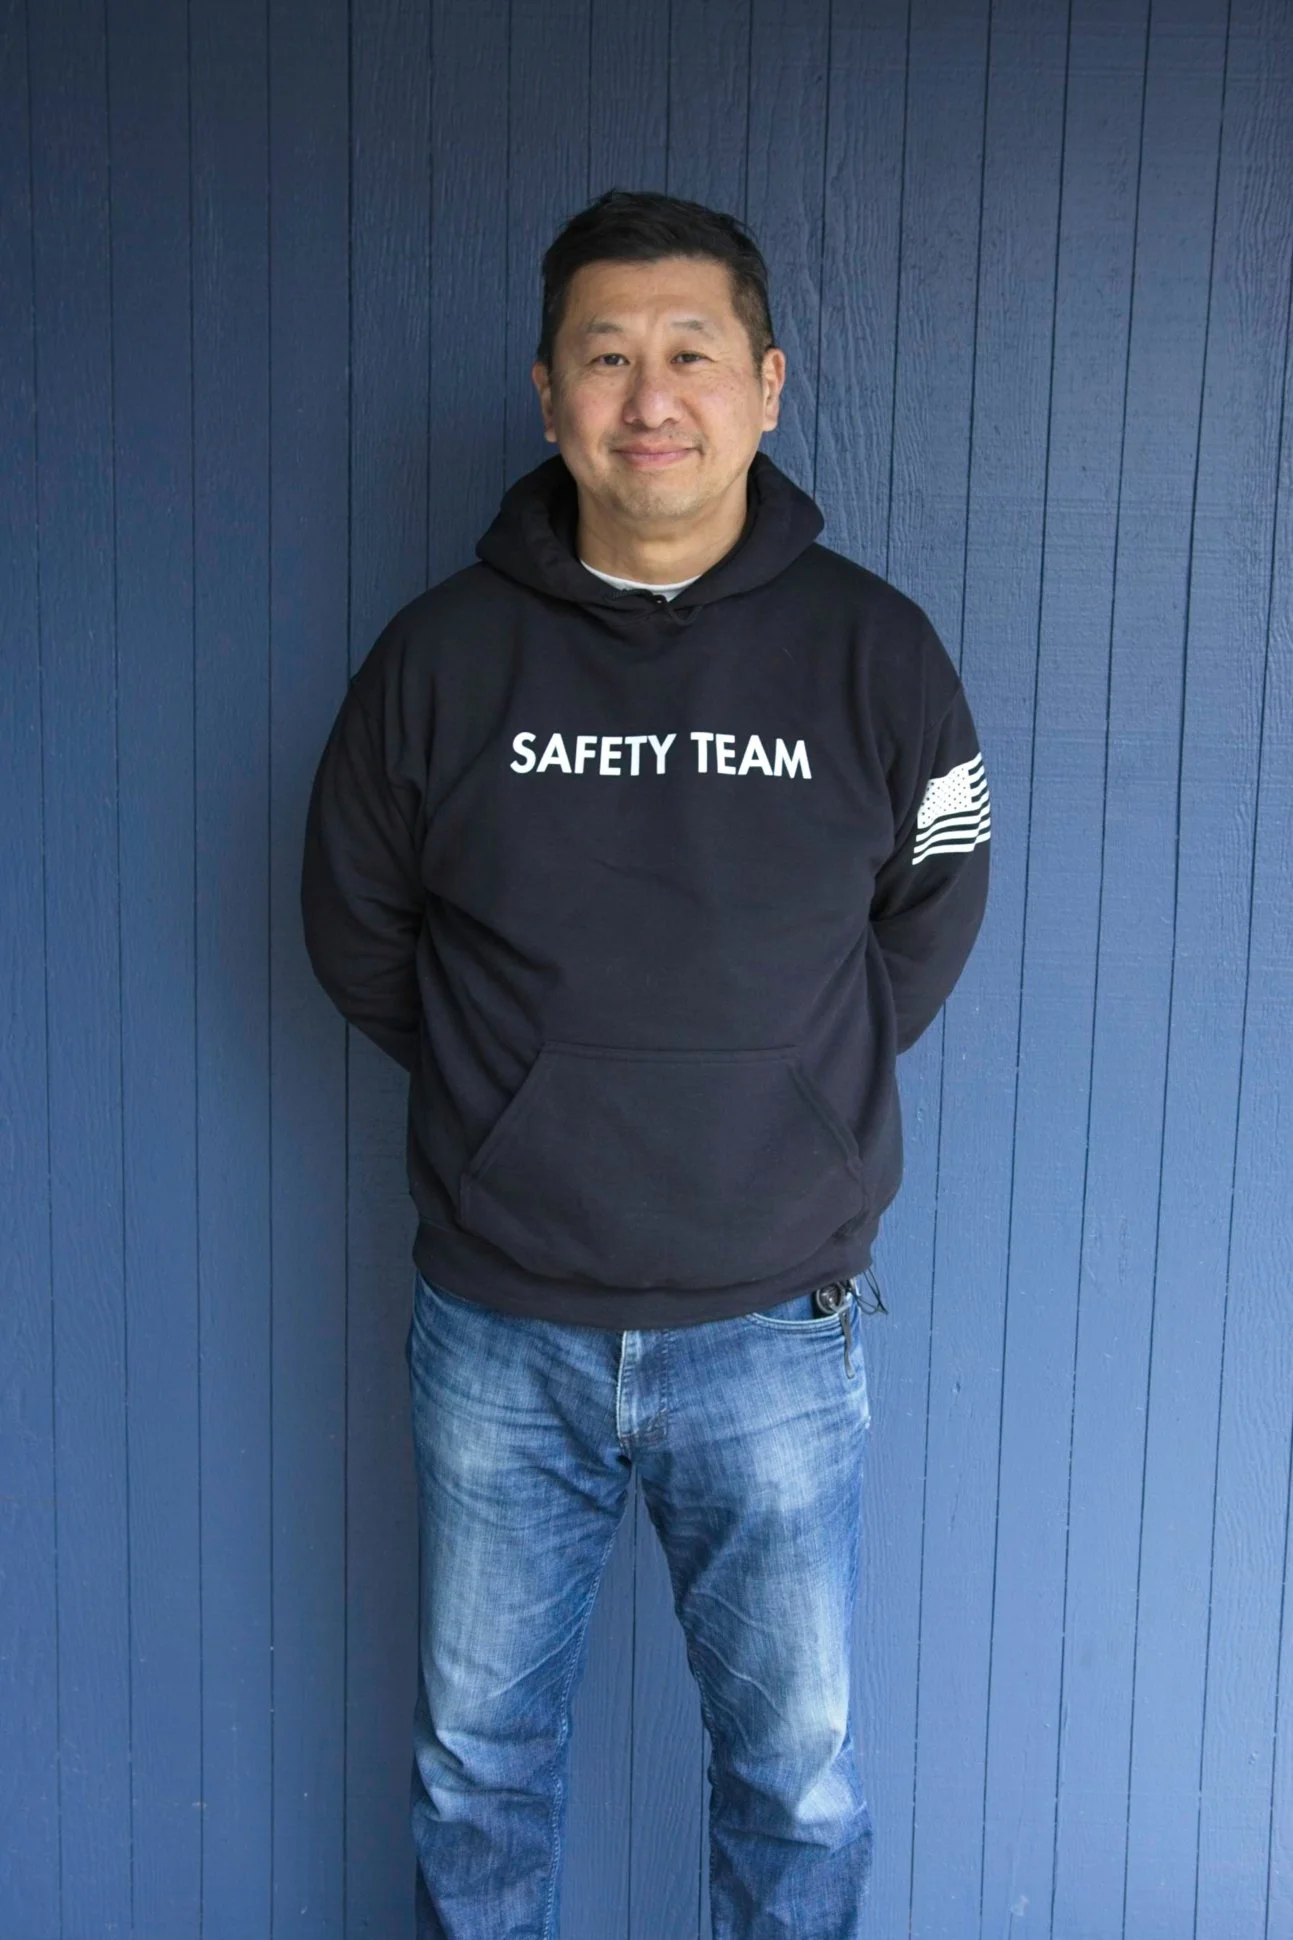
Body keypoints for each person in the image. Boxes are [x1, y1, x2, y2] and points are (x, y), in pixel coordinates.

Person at [301, 188, 990, 1940]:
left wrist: (782, 1097)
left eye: (690, 354)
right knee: (476, 1766)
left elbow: (933, 907)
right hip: (500, 1331)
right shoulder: (437, 663)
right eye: (607, 357)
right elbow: (357, 930)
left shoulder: (880, 654)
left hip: (776, 1329)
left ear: (766, 383)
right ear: (548, 397)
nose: (650, 396)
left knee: (799, 1779)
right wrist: (522, 1088)